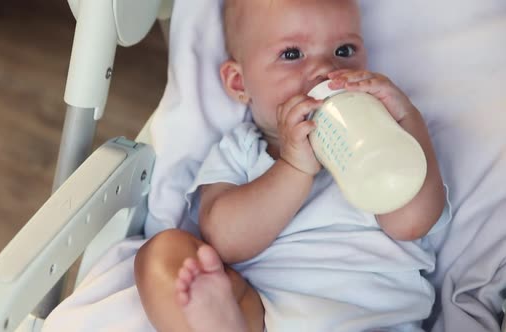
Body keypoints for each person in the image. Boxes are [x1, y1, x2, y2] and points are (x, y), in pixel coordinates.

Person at [134, 0, 449, 331]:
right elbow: (225, 241)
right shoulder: (243, 150)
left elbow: (412, 223)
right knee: (162, 251)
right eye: (291, 54)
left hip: (377, 318)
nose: (325, 70)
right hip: (268, 314)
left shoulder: (386, 137)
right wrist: (293, 168)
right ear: (240, 83)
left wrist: (406, 118)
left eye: (344, 50)